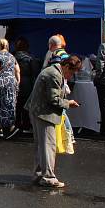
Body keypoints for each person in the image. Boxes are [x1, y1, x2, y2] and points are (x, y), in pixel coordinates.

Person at [25, 55, 82, 188]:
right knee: (48, 145)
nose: (70, 76)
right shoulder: (54, 75)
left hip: (38, 110)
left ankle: (38, 174)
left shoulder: (53, 71)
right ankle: (48, 177)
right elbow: (54, 99)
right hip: (43, 113)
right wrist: (69, 103)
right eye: (71, 73)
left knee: (41, 145)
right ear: (67, 66)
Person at [0, 38, 21, 139]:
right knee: (10, 103)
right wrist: (18, 81)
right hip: (12, 82)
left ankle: (5, 128)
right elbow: (17, 70)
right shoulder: (12, 56)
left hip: (2, 82)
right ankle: (6, 128)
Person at [14, 38, 38, 133]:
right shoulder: (31, 58)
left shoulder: (13, 56)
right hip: (27, 83)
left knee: (16, 104)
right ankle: (26, 125)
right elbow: (34, 72)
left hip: (15, 81)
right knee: (26, 105)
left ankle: (16, 124)